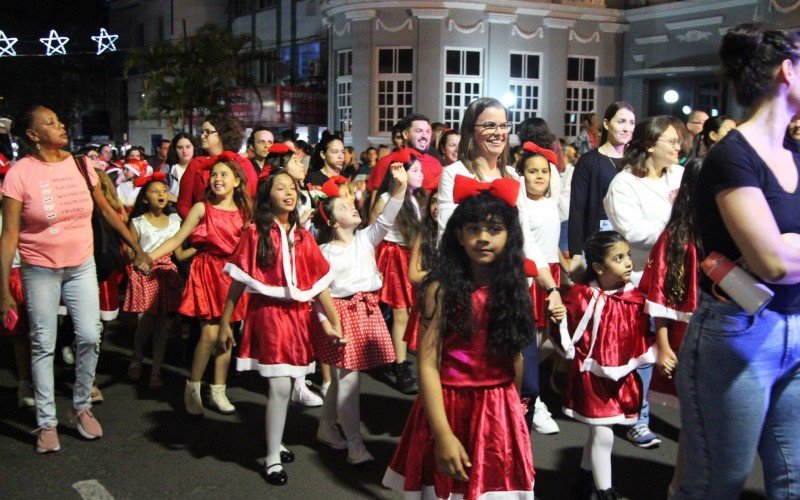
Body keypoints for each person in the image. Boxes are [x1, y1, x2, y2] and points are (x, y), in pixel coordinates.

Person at [673, 24, 800, 499]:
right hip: (739, 335)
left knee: (793, 480)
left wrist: (788, 246)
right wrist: (780, 247)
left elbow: (781, 254)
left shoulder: (795, 154)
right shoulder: (732, 157)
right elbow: (770, 261)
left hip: (794, 326)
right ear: (787, 70)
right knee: (717, 483)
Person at [1, 106, 150, 453]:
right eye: (50, 123)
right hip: (38, 269)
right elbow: (9, 234)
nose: (61, 125)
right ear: (33, 135)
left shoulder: (81, 165)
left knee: (88, 334)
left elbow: (107, 211)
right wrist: (2, 291)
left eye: (59, 119)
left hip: (81, 265)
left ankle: (81, 405)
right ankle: (46, 422)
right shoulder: (19, 174)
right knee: (42, 343)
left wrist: (136, 248)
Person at [382, 182, 536, 499]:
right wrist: (441, 434)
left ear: (510, 236)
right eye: (474, 228)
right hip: (448, 404)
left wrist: (513, 411)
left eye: (494, 229)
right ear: (458, 235)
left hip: (498, 408)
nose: (483, 237)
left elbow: (515, 358)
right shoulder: (440, 289)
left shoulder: (514, 288)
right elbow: (426, 363)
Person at [438, 97, 566, 423]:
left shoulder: (513, 176)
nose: (498, 132)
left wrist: (550, 286)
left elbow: (525, 240)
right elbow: (447, 236)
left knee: (524, 384)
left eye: (503, 125)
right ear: (472, 130)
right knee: (470, 385)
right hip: (470, 294)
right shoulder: (453, 174)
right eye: (489, 125)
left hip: (510, 293)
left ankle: (505, 450)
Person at [218, 170, 343, 486]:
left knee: (288, 384)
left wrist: (333, 321)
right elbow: (237, 284)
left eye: (292, 187)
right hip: (270, 315)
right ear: (266, 195)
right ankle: (272, 457)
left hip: (298, 317)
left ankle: (275, 442)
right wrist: (224, 323)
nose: (289, 192)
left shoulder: (303, 235)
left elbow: (318, 284)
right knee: (280, 386)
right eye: (281, 187)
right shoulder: (255, 233)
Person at [311, 163, 408, 465]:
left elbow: (387, 218)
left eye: (349, 202)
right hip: (341, 315)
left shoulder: (366, 238)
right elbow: (317, 294)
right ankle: (355, 445)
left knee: (343, 382)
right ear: (333, 222)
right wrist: (327, 323)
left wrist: (400, 187)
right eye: (342, 206)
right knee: (349, 384)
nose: (351, 205)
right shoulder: (324, 252)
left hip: (366, 311)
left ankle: (326, 428)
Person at [603, 115, 684, 449]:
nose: (679, 146)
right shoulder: (624, 183)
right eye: (672, 141)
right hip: (640, 279)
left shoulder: (681, 175)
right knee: (645, 353)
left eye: (680, 140)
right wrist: (677, 229)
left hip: (680, 278)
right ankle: (639, 417)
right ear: (650, 145)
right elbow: (634, 232)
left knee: (681, 349)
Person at [148, 155, 251, 416]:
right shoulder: (201, 208)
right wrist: (148, 257)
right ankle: (193, 388)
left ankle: (219, 390)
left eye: (224, 174)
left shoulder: (244, 213)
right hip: (206, 272)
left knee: (227, 335)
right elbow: (178, 239)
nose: (217, 179)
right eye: (214, 174)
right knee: (209, 334)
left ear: (237, 181)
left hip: (233, 275)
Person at [557, 231, 654, 500]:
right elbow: (565, 324)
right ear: (598, 267)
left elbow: (640, 332)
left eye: (628, 256)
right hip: (591, 376)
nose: (627, 263)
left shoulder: (633, 296)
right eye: (618, 258)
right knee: (603, 433)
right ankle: (605, 493)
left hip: (620, 376)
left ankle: (583, 481)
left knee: (601, 429)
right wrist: (560, 325)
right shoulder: (583, 296)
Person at [638, 158, 704, 496]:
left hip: (721, 336)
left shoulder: (726, 228)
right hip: (687, 338)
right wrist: (662, 344)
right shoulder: (676, 236)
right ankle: (681, 486)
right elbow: (660, 296)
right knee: (695, 423)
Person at [517, 142, 569, 435]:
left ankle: (532, 395)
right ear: (521, 175)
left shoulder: (551, 204)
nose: (539, 176)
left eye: (544, 172)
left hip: (554, 274)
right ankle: (532, 402)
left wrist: (566, 268)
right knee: (533, 342)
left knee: (552, 338)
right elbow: (530, 247)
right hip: (535, 279)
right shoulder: (523, 206)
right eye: (532, 171)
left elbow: (552, 244)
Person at [124, 172, 195, 390]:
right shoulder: (137, 222)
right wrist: (138, 263)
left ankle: (155, 369)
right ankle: (137, 356)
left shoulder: (175, 221)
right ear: (145, 198)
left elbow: (180, 255)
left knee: (162, 325)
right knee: (145, 321)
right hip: (144, 273)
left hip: (167, 276)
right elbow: (129, 250)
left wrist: (203, 246)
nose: (161, 195)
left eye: (164, 191)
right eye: (154, 192)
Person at [369, 148, 427, 394]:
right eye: (415, 170)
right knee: (400, 312)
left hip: (412, 257)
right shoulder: (385, 198)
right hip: (392, 256)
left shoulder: (418, 198)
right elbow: (370, 234)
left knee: (412, 310)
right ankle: (400, 365)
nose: (421, 174)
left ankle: (399, 355)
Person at [568, 101, 636, 278]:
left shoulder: (637, 163)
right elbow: (577, 208)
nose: (627, 128)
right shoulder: (589, 161)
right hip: (598, 244)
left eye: (631, 123)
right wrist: (576, 253)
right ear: (606, 124)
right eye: (621, 121)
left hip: (630, 243)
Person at [176, 114, 258, 219]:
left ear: (223, 134)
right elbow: (183, 204)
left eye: (207, 132)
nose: (202, 136)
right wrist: (198, 226)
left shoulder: (243, 164)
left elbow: (251, 201)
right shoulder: (196, 164)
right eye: (201, 132)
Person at [0, 161, 34, 409]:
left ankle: (27, 384)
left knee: (27, 334)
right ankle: (24, 383)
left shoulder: (21, 212)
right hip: (9, 277)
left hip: (23, 275)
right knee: (19, 334)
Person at [164, 132, 196, 203]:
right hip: (172, 211)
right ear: (175, 149)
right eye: (180, 147)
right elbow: (161, 194)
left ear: (194, 147)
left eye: (188, 147)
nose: (184, 151)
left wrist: (177, 199)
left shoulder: (201, 169)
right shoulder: (167, 169)